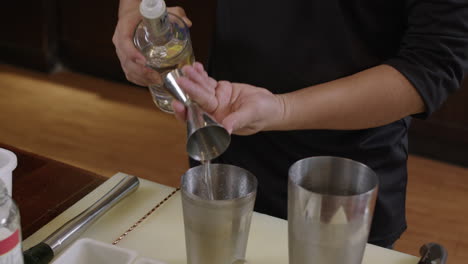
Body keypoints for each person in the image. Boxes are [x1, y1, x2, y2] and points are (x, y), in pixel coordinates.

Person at [113, 0, 468, 248]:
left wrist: (282, 108)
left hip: (341, 178)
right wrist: (134, 9)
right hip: (227, 143)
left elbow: (432, 64)